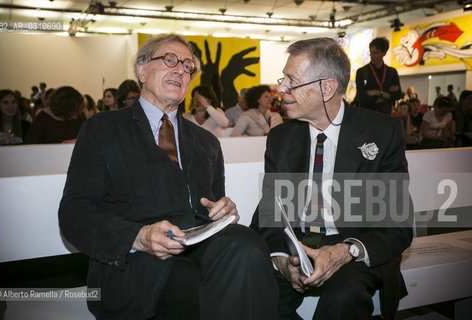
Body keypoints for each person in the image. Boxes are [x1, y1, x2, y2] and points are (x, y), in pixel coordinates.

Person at [58, 33, 279, 320]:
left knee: (249, 245)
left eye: (188, 66)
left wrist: (222, 211)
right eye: (170, 60)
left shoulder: (206, 142)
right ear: (141, 70)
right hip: (139, 265)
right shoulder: (103, 130)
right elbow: (75, 214)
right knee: (218, 290)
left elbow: (209, 209)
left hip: (201, 250)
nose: (181, 70)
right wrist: (139, 237)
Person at [250, 37, 413, 320]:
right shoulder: (281, 138)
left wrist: (346, 251)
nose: (281, 88)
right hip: (297, 248)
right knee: (250, 295)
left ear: (327, 88)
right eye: (283, 78)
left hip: (351, 248)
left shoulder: (382, 132)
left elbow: (397, 226)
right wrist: (280, 259)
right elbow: (269, 211)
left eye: (292, 80)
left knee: (342, 299)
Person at [355, 37, 401, 115]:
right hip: (367, 115)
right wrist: (386, 94)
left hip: (385, 114)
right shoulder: (362, 72)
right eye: (371, 52)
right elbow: (361, 96)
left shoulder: (391, 72)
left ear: (384, 53)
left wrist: (375, 92)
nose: (372, 56)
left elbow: (398, 95)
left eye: (376, 53)